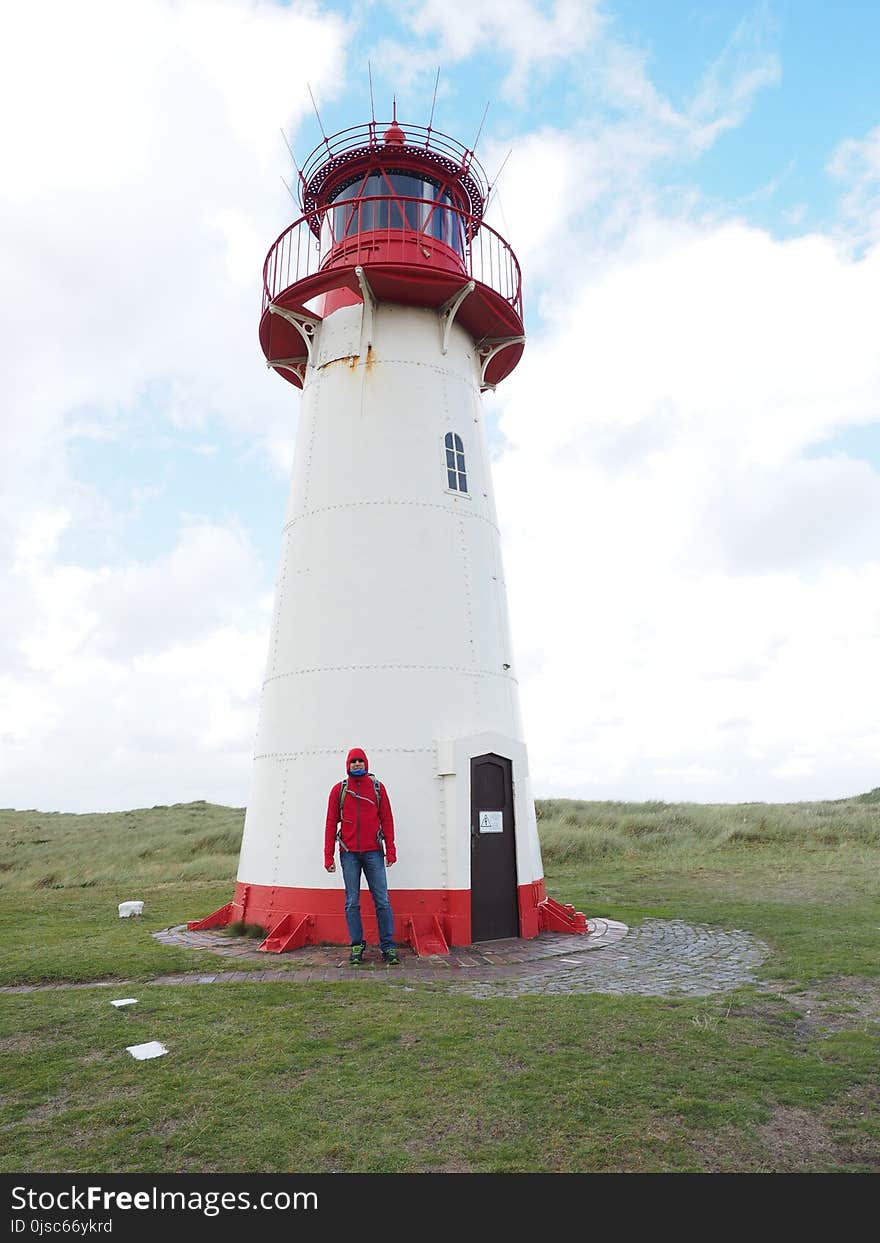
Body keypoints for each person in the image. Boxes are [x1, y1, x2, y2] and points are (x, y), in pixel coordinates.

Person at [324, 747, 400, 965]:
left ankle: (388, 947)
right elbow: (331, 823)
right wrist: (328, 855)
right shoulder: (339, 790)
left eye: (360, 761)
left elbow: (387, 820)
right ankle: (356, 945)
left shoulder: (377, 788)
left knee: (382, 901)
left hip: (374, 852)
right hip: (348, 854)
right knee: (352, 902)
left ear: (366, 763)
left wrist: (391, 850)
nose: (357, 764)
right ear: (348, 765)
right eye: (353, 761)